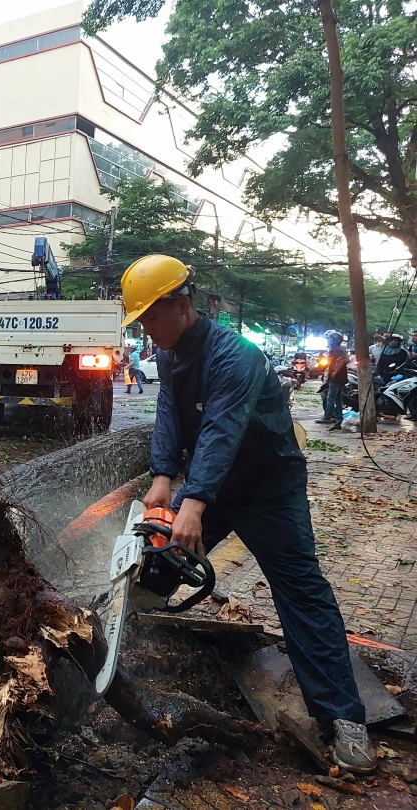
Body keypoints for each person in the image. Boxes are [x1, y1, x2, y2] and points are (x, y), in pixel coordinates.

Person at [121, 255, 375, 774]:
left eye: (151, 317)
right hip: (212, 486)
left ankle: (345, 721)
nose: (146, 330)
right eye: (140, 320)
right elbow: (169, 413)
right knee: (158, 563)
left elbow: (222, 427)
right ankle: (119, 656)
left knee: (301, 592)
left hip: (269, 489)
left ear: (183, 306)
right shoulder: (169, 358)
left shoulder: (236, 355)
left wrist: (193, 501)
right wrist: (164, 476)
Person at [316, 330, 347, 430]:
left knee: (331, 398)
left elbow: (344, 360)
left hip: (336, 378)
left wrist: (335, 372)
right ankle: (338, 417)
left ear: (335, 340)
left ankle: (327, 417)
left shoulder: (337, 349)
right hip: (337, 377)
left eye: (330, 338)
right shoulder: (334, 349)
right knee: (338, 398)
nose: (328, 340)